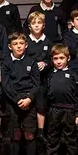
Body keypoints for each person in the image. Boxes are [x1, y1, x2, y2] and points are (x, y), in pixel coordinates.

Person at [2, 33, 40, 155]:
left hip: (29, 102)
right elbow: (5, 84)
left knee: (30, 135)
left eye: (21, 43)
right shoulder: (6, 63)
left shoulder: (32, 62)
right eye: (15, 43)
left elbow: (37, 84)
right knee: (15, 136)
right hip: (13, 102)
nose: (18, 46)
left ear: (26, 45)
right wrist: (18, 100)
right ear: (10, 46)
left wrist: (29, 98)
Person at [44, 44, 78, 155]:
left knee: (71, 140)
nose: (58, 61)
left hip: (70, 110)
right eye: (55, 58)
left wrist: (77, 112)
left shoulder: (73, 75)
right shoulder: (50, 75)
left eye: (61, 58)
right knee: (52, 139)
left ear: (68, 58)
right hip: (54, 110)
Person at [24, 11, 53, 141]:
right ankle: (27, 130)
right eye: (34, 23)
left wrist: (45, 63)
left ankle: (41, 132)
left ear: (44, 25)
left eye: (39, 23)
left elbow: (52, 60)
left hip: (42, 80)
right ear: (29, 26)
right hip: (27, 80)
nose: (36, 26)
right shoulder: (25, 42)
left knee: (41, 105)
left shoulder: (48, 42)